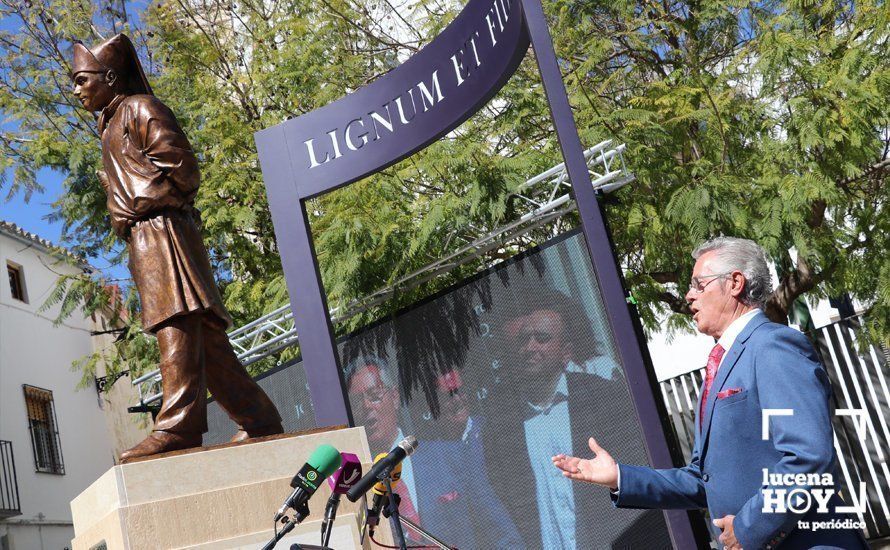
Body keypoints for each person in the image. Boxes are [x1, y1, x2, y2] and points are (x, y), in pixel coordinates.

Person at [553, 237, 868, 549]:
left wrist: (748, 529)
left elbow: (808, 459)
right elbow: (702, 480)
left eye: (698, 285)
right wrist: (619, 478)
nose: (688, 296)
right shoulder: (719, 366)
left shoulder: (772, 346)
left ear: (734, 283)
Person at [71, 34, 282, 461]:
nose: (76, 90)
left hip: (164, 229)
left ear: (110, 77)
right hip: (144, 235)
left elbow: (184, 170)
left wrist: (137, 200)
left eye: (82, 79)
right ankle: (259, 420)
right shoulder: (109, 124)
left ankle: (177, 427)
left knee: (175, 320)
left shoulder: (140, 109)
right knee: (203, 336)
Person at [483, 286, 666, 548]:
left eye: (542, 337)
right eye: (523, 340)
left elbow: (636, 477)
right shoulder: (502, 426)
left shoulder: (604, 398)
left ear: (566, 351)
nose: (531, 346)